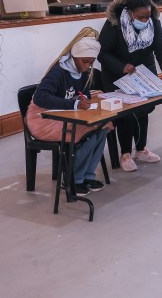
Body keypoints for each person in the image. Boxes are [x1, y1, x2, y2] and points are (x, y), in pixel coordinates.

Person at [98, 0, 162, 172]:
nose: (144, 20)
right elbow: (102, 53)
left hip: (143, 73)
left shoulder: (153, 22)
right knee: (125, 114)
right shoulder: (115, 23)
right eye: (140, 17)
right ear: (129, 12)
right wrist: (121, 66)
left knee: (143, 111)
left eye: (147, 16)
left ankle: (141, 149)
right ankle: (125, 154)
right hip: (118, 75)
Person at [27, 36, 110, 197]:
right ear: (75, 57)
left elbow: (83, 94)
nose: (88, 66)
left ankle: (87, 176)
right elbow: (40, 98)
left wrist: (83, 100)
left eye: (91, 62)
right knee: (87, 132)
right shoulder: (58, 71)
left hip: (64, 114)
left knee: (102, 127)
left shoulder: (83, 72)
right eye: (85, 61)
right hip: (42, 118)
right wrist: (74, 104)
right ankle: (73, 179)